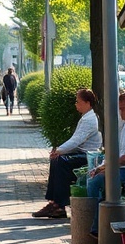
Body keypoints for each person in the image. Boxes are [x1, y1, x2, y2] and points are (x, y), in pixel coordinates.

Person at [75, 89, 125, 244]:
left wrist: (107, 166)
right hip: (119, 167)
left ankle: (97, 233)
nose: (121, 112)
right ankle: (96, 224)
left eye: (123, 108)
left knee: (97, 183)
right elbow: (115, 151)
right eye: (119, 108)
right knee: (92, 179)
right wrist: (102, 166)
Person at [32, 88, 102, 219]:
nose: (76, 104)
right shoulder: (86, 117)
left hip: (87, 156)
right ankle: (54, 202)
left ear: (87, 103)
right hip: (81, 153)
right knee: (57, 160)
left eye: (78, 102)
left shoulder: (89, 119)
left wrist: (59, 150)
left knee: (61, 162)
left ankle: (59, 205)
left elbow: (76, 140)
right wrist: (59, 151)